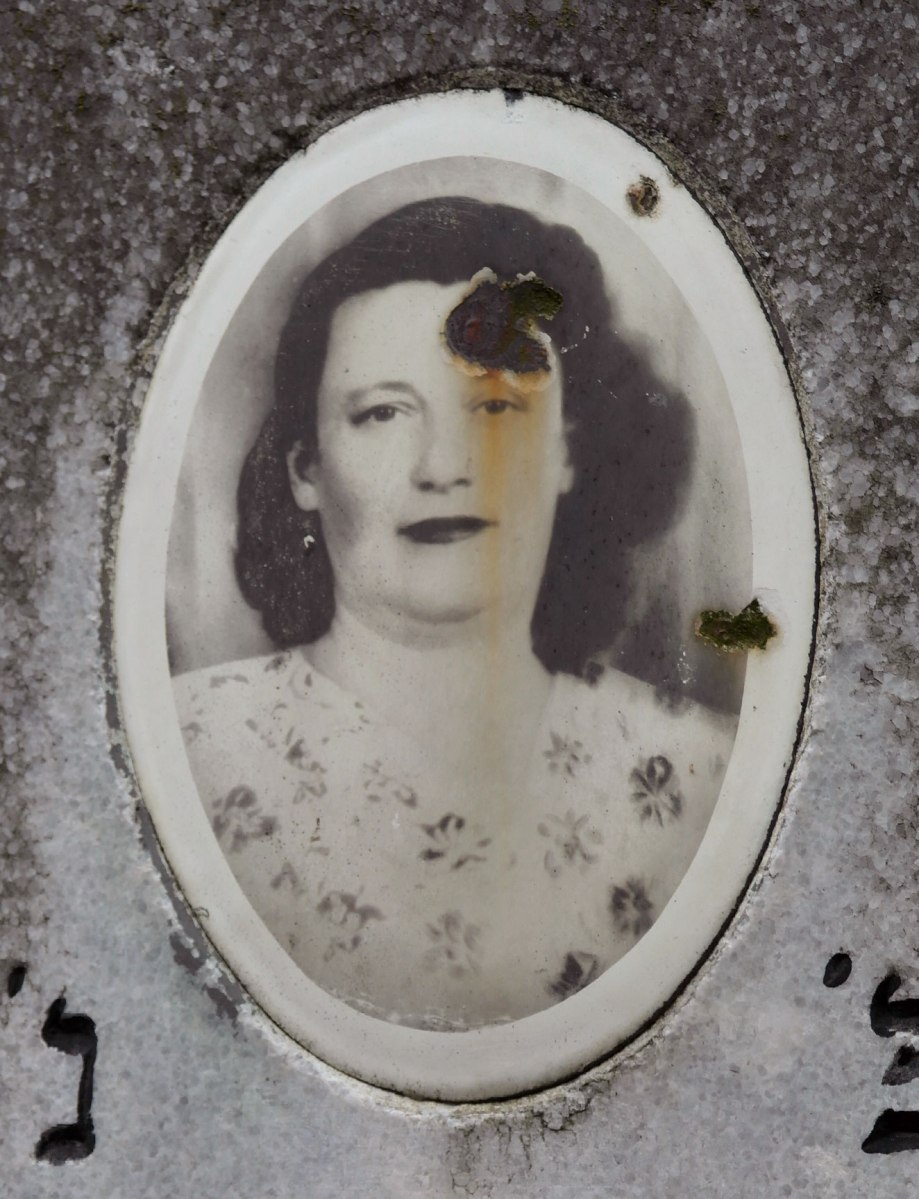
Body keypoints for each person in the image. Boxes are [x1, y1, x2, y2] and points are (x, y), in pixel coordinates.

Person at [173, 197, 737, 1031]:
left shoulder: (701, 778)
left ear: (567, 451)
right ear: (305, 469)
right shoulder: (187, 754)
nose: (442, 466)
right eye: (382, 412)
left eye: (496, 407)